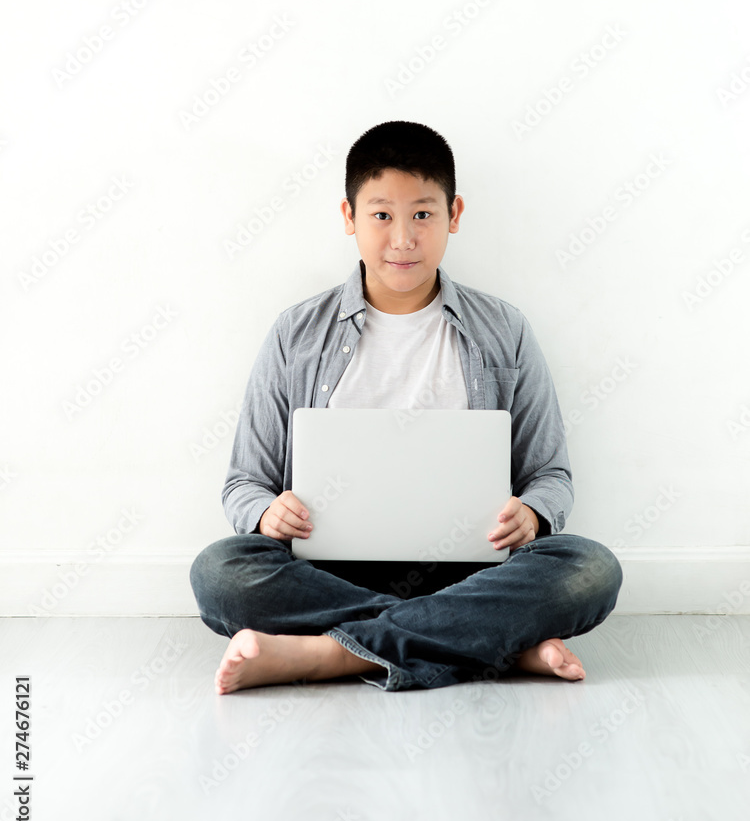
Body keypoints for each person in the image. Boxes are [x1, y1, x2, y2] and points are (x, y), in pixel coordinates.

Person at [190, 120, 622, 695]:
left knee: (590, 568)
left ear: (454, 214)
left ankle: (329, 655)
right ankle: (496, 644)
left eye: (422, 214)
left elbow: (551, 474)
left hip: (471, 572)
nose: (402, 239)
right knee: (220, 572)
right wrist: (267, 515)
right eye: (381, 215)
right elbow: (246, 482)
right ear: (348, 217)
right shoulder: (296, 334)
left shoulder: (504, 330)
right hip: (328, 573)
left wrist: (534, 514)